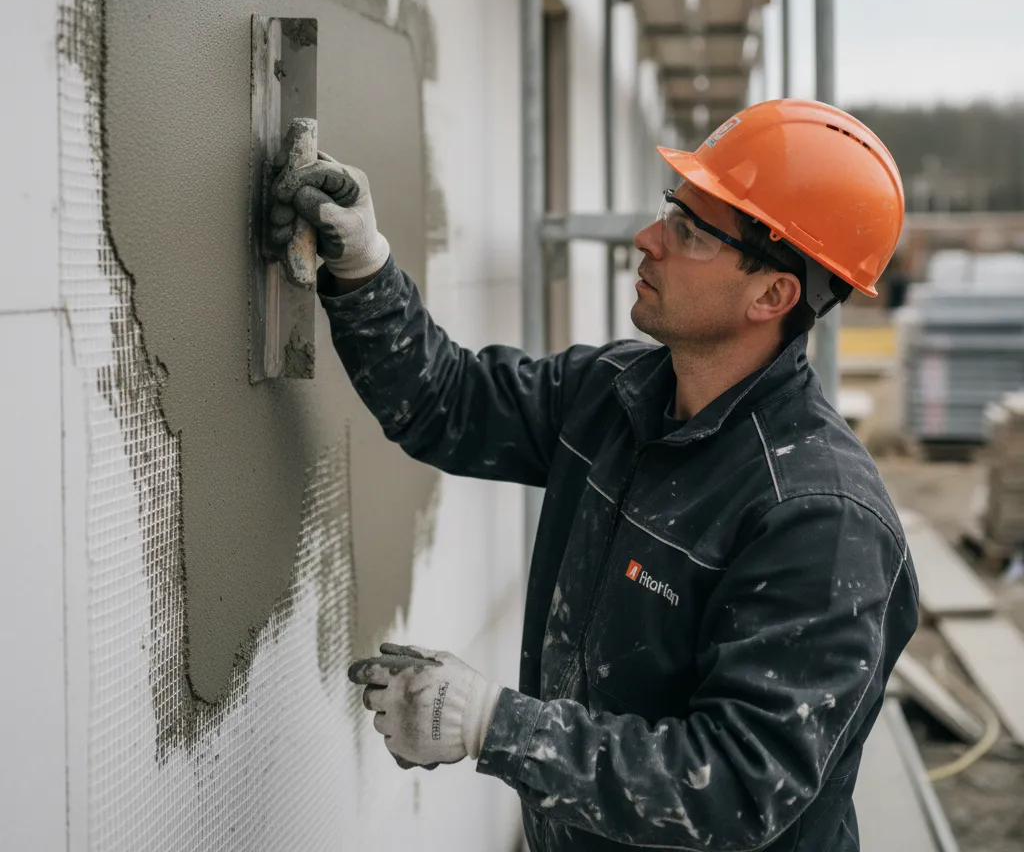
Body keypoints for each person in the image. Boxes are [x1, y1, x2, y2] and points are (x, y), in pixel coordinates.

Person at [270, 98, 919, 851]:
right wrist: (362, 264)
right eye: (667, 211)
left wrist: (491, 725)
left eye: (688, 232)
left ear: (771, 294)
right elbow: (446, 404)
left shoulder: (819, 519)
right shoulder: (616, 394)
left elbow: (738, 786)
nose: (647, 240)